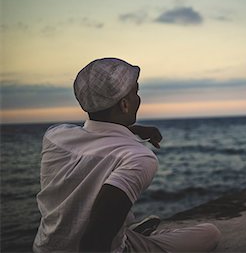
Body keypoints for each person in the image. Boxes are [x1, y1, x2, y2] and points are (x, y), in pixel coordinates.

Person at [33, 57, 221, 252]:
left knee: (110, 216)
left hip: (45, 248)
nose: (138, 98)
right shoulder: (137, 158)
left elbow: (99, 135)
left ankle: (129, 230)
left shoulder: (55, 136)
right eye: (136, 92)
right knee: (209, 233)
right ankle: (134, 235)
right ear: (124, 105)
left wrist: (132, 129)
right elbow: (94, 240)